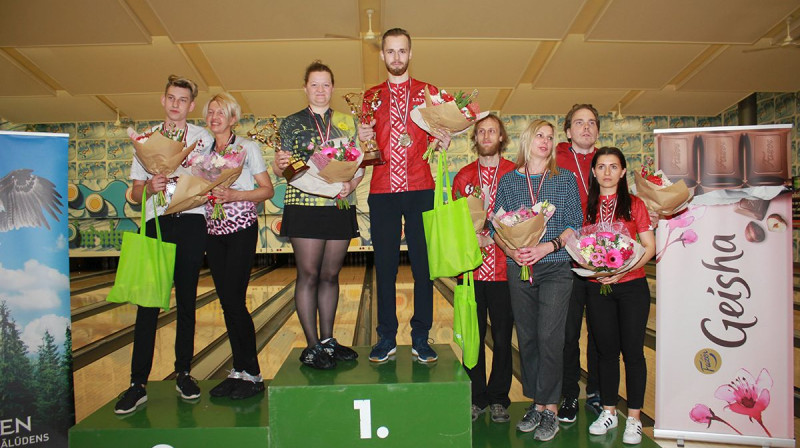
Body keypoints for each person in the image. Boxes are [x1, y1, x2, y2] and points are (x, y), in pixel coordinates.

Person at [115, 75, 213, 414]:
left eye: (183, 100)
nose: (176, 104)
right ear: (163, 100)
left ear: (191, 105)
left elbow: (209, 179)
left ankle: (184, 372)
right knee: (147, 304)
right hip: (156, 223)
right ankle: (137, 383)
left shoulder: (203, 138)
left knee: (187, 300)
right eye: (171, 98)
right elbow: (134, 193)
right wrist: (151, 187)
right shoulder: (145, 140)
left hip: (191, 221)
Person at [357, 28, 450, 364]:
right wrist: (361, 136)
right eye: (390, 52)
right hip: (382, 190)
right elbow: (365, 147)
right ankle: (386, 337)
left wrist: (444, 137)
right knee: (385, 267)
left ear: (411, 53)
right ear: (382, 55)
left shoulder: (429, 92)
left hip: (420, 187)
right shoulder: (370, 97)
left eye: (402, 51)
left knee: (423, 267)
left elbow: (446, 128)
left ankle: (421, 337)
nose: (396, 57)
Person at [492, 119, 582, 441]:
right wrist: (512, 251)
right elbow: (496, 228)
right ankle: (536, 402)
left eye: (549, 137)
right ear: (527, 140)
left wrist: (548, 246)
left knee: (549, 338)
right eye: (539, 136)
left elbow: (574, 225)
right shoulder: (508, 182)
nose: (544, 141)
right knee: (527, 338)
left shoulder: (565, 179)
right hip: (520, 268)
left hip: (556, 267)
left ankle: (551, 410)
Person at [274, 61, 361, 370]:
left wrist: (351, 182)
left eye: (325, 84)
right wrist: (278, 164)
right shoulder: (291, 123)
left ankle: (328, 341)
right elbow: (283, 166)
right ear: (305, 88)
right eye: (314, 84)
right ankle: (312, 346)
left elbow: (359, 164)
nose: (320, 90)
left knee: (330, 275)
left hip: (338, 204)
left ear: (333, 88)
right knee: (309, 274)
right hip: (304, 204)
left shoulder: (348, 123)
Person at [201, 93, 274, 399]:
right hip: (213, 231)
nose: (215, 116)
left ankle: (253, 373)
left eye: (222, 112)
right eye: (211, 111)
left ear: (233, 119)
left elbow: (266, 190)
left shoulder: (248, 147)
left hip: (241, 228)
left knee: (234, 299)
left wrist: (235, 196)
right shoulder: (200, 152)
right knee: (226, 301)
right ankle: (238, 370)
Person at [583, 147, 655, 445]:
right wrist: (596, 269)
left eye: (614, 167)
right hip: (599, 287)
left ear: (623, 171)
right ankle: (610, 411)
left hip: (632, 287)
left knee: (634, 353)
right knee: (606, 352)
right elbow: (581, 244)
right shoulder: (588, 205)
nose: (607, 172)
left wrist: (622, 271)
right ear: (594, 171)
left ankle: (635, 418)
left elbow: (649, 247)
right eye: (601, 166)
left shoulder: (635, 204)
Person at [451, 114, 515, 423]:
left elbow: (524, 216)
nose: (486, 135)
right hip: (472, 271)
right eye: (481, 132)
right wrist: (472, 238)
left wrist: (497, 236)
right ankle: (475, 397)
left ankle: (500, 397)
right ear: (475, 139)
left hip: (505, 270)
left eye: (492, 131)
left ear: (502, 137)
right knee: (472, 337)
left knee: (503, 338)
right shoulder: (463, 176)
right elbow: (454, 222)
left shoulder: (516, 174)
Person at [555, 103, 602, 422]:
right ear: (568, 130)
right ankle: (569, 393)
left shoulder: (608, 160)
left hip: (602, 260)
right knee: (568, 333)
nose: (586, 127)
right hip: (566, 260)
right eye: (579, 122)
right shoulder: (554, 159)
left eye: (592, 122)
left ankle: (598, 392)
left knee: (601, 331)